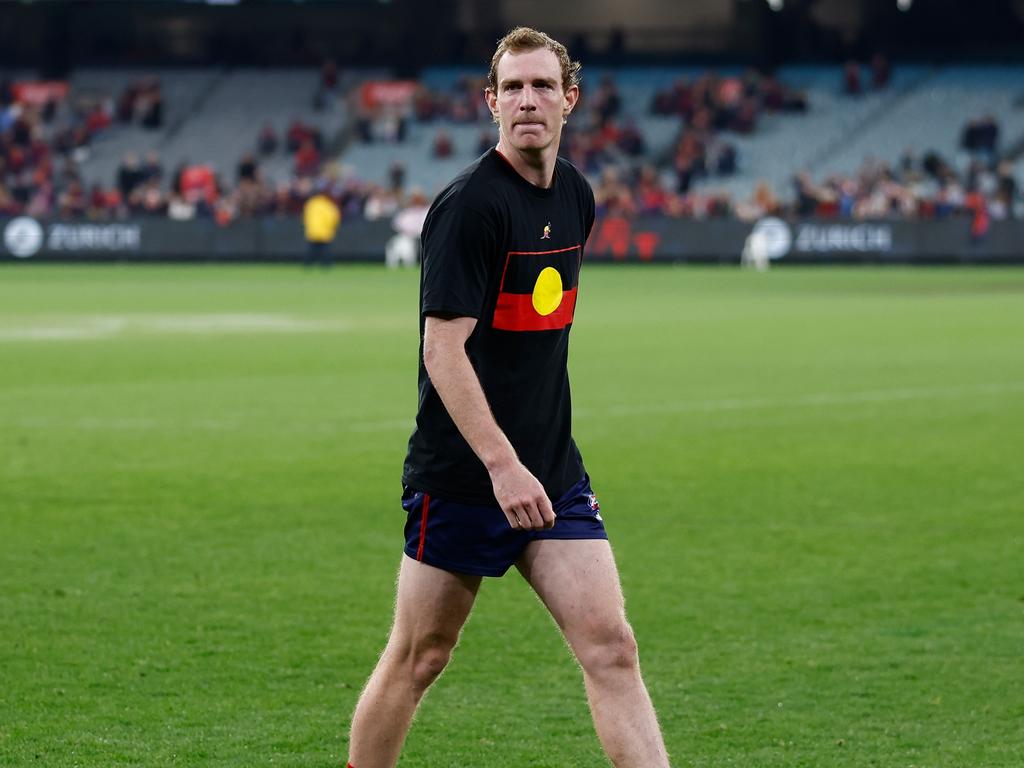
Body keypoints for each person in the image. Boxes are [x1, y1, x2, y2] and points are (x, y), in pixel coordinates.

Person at [345, 27, 670, 768]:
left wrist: (532, 464)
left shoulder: (577, 196)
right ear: (491, 104)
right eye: (513, 88)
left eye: (543, 86)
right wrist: (500, 465)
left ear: (570, 99)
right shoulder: (469, 208)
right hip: (465, 479)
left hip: (552, 473)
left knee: (613, 649)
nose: (529, 101)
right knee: (420, 657)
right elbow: (442, 350)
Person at [302, 183, 340, 268]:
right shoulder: (327, 204)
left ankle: (307, 265)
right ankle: (326, 265)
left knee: (312, 249)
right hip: (324, 231)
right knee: (325, 249)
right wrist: (332, 227)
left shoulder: (311, 204)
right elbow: (333, 217)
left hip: (313, 230)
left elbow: (305, 217)